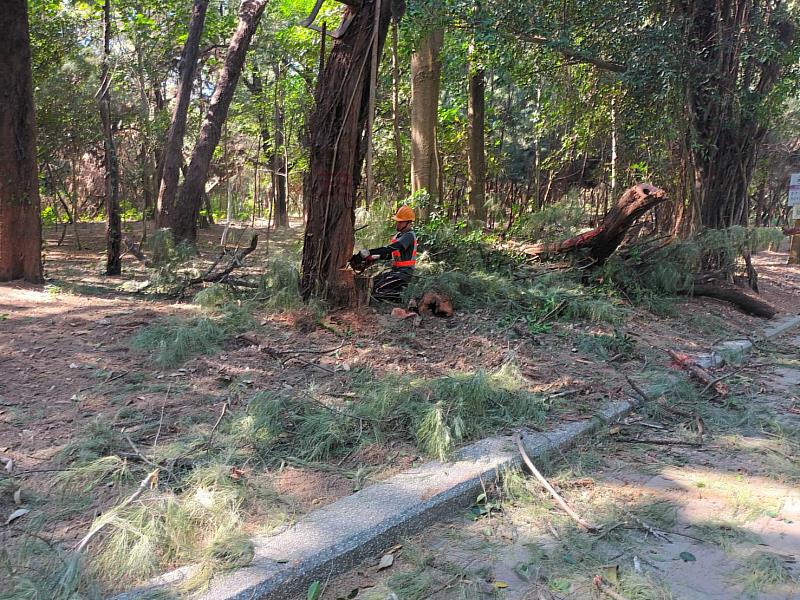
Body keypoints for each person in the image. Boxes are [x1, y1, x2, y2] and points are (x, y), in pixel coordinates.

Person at [352, 205, 417, 302]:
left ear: (408, 223)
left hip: (404, 274)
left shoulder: (408, 236)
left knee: (378, 291)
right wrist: (373, 257)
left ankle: (403, 298)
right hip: (395, 271)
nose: (397, 224)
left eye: (400, 222)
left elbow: (389, 249)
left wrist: (367, 252)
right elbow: (389, 255)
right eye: (397, 221)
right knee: (372, 284)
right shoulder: (399, 235)